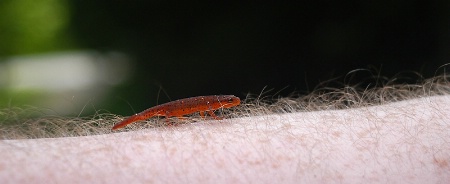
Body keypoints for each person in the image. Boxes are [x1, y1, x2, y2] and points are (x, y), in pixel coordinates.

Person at [1, 76, 449, 183]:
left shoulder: (213, 107)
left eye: (227, 105)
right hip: (170, 110)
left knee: (165, 116)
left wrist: (211, 118)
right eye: (229, 103)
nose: (231, 106)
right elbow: (196, 111)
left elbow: (207, 113)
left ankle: (135, 124)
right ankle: (132, 125)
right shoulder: (207, 105)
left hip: (176, 110)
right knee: (160, 117)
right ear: (222, 102)